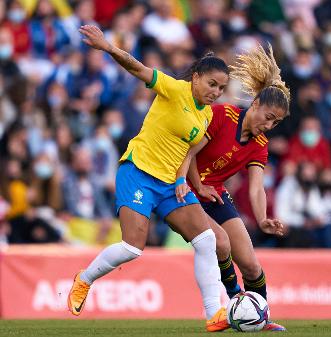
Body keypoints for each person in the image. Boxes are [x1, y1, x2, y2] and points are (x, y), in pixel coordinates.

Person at [67, 25, 230, 332]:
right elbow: (137, 67)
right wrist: (108, 47)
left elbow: (189, 152)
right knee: (132, 248)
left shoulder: (207, 114)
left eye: (221, 88)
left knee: (206, 240)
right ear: (196, 77)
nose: (216, 92)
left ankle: (214, 314)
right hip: (138, 172)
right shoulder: (173, 89)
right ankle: (84, 279)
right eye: (212, 84)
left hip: (170, 184)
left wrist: (189, 181)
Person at [175, 44, 290, 331]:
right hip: (185, 189)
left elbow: (256, 189)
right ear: (254, 105)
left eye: (275, 122)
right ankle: (236, 301)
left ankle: (261, 317)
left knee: (251, 265)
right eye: (268, 116)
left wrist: (262, 218)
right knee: (221, 242)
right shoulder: (222, 115)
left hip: (214, 193)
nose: (269, 125)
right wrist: (198, 186)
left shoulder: (260, 146)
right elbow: (188, 153)